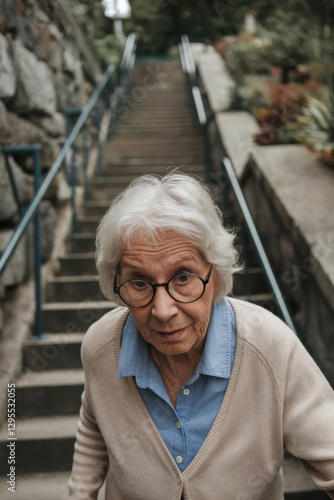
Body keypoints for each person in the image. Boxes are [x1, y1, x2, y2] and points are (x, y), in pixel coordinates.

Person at [68, 172, 334, 500]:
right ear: (116, 283)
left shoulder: (270, 347)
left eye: (183, 277)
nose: (163, 311)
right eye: (139, 282)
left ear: (216, 271)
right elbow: (94, 425)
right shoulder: (101, 346)